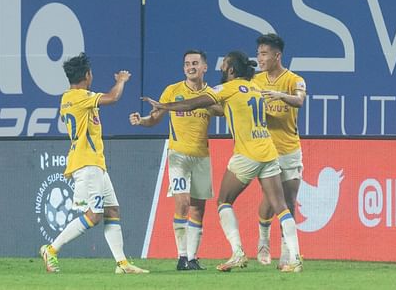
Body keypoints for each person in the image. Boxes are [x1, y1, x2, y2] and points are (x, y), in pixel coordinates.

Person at [143, 50, 303, 273]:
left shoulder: (226, 88)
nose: (221, 67)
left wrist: (165, 106)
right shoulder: (256, 87)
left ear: (231, 69)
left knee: (224, 201)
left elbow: (192, 104)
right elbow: (225, 109)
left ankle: (238, 252)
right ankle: (295, 258)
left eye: (224, 64)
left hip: (247, 154)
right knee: (281, 206)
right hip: (268, 151)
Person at [39, 53, 149, 274]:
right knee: (94, 215)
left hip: (94, 162)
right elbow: (113, 98)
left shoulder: (66, 98)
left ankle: (122, 263)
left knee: (112, 210)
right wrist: (121, 81)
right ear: (87, 75)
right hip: (87, 163)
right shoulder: (81, 96)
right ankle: (51, 249)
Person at [129, 50, 222, 271]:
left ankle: (192, 257)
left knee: (199, 209)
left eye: (195, 63)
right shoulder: (172, 90)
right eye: (187, 64)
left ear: (205, 67)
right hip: (178, 155)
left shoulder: (211, 94)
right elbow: (155, 119)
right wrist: (141, 121)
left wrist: (203, 103)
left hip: (201, 157)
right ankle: (181, 257)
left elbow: (222, 111)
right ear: (183, 69)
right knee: (182, 203)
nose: (191, 67)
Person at [253, 33, 307, 269]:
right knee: (271, 199)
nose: (260, 58)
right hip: (265, 150)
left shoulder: (294, 80)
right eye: (258, 53)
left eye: (264, 54)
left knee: (290, 200)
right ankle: (263, 241)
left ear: (277, 56)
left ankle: (287, 251)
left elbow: (299, 101)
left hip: (289, 149)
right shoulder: (255, 81)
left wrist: (279, 96)